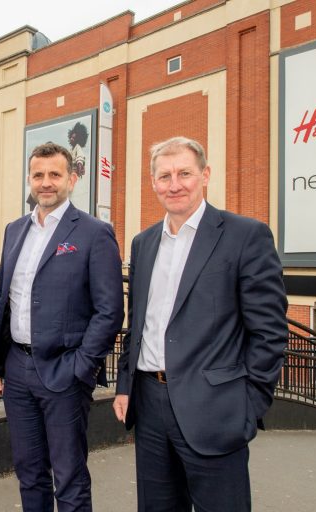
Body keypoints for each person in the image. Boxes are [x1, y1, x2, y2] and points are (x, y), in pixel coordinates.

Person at [113, 136, 287, 511]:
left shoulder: (245, 236)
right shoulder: (143, 244)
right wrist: (125, 385)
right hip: (150, 406)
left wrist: (249, 405)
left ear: (205, 175)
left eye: (184, 173)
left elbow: (270, 332)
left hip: (215, 410)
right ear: (153, 183)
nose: (174, 184)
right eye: (164, 176)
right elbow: (138, 324)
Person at [0, 142, 124, 512]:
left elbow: (109, 311)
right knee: (29, 473)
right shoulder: (15, 230)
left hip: (64, 372)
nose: (46, 183)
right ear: (30, 179)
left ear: (72, 179)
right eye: (38, 175)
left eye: (55, 175)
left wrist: (82, 367)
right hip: (17, 370)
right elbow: (7, 305)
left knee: (70, 478)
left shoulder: (94, 232)